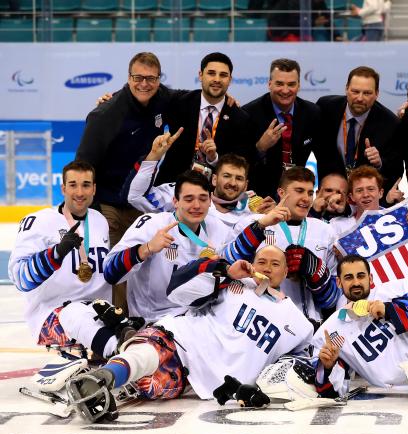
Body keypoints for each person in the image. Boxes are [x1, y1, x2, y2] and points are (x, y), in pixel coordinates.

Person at [66, 245, 315, 423]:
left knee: (150, 386)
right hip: (182, 340)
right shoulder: (234, 284)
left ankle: (123, 337)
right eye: (262, 261)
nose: (268, 268)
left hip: (201, 383)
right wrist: (225, 271)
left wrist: (254, 389)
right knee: (147, 353)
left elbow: (295, 367)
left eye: (275, 264)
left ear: (286, 272)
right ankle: (104, 376)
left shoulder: (300, 325)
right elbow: (177, 289)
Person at [75, 52, 174, 314]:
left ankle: (146, 327)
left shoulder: (163, 98)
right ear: (128, 78)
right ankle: (119, 330)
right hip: (109, 205)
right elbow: (84, 164)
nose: (144, 84)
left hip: (142, 203)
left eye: (150, 79)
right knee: (118, 268)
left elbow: (193, 101)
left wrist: (227, 101)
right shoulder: (106, 114)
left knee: (150, 265)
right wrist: (88, 212)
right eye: (138, 78)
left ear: (158, 80)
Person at [10, 161, 140, 359]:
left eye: (86, 185)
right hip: (54, 314)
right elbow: (20, 279)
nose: (79, 192)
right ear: (63, 188)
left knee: (134, 323)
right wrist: (55, 254)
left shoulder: (99, 221)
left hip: (98, 311)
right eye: (73, 185)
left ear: (94, 189)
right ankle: (125, 355)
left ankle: (124, 351)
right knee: (75, 314)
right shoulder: (38, 222)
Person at [104, 171, 269, 322]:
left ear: (210, 201)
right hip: (154, 321)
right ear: (175, 201)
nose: (196, 205)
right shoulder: (153, 224)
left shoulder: (216, 226)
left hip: (199, 319)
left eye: (203, 199)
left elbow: (232, 259)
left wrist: (262, 225)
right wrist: (146, 249)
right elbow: (110, 273)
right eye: (189, 199)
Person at [312, 255, 408, 408]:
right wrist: (326, 367)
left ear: (371, 278)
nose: (356, 283)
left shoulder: (398, 288)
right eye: (348, 278)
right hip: (399, 398)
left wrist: (390, 309)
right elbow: (332, 392)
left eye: (361, 276)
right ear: (339, 282)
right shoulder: (329, 331)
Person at [242, 167, 341, 323]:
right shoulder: (257, 224)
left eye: (310, 193)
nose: (306, 199)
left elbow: (333, 301)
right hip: (264, 322)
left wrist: (318, 275)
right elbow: (230, 265)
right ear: (281, 193)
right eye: (299, 191)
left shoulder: (326, 231)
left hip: (310, 329)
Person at [128, 130, 262, 229]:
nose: (232, 183)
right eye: (226, 176)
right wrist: (153, 156)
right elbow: (137, 196)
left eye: (239, 178)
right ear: (214, 179)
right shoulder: (186, 195)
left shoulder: (253, 210)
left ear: (246, 185)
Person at [155, 52, 253, 185]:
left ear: (230, 80)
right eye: (211, 73)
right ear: (201, 75)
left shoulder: (240, 118)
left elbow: (240, 164)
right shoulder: (179, 103)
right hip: (172, 186)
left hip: (213, 193)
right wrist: (120, 94)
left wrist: (214, 158)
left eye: (223, 75)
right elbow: (149, 88)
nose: (217, 79)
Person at [242, 58, 325, 198]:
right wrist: (260, 148)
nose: (285, 90)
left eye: (291, 84)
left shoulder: (313, 113)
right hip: (259, 195)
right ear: (269, 84)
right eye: (279, 84)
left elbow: (325, 156)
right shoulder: (249, 114)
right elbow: (239, 163)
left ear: (299, 85)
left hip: (298, 193)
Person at [316, 66, 399, 189]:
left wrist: (379, 163)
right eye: (355, 91)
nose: (360, 98)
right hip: (330, 192)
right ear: (346, 89)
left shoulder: (390, 123)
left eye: (367, 93)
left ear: (377, 94)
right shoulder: (326, 107)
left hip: (365, 197)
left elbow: (396, 170)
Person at [329, 165, 386, 237]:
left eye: (371, 189)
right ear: (351, 197)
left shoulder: (398, 220)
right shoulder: (337, 227)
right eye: (359, 191)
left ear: (380, 193)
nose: (365, 195)